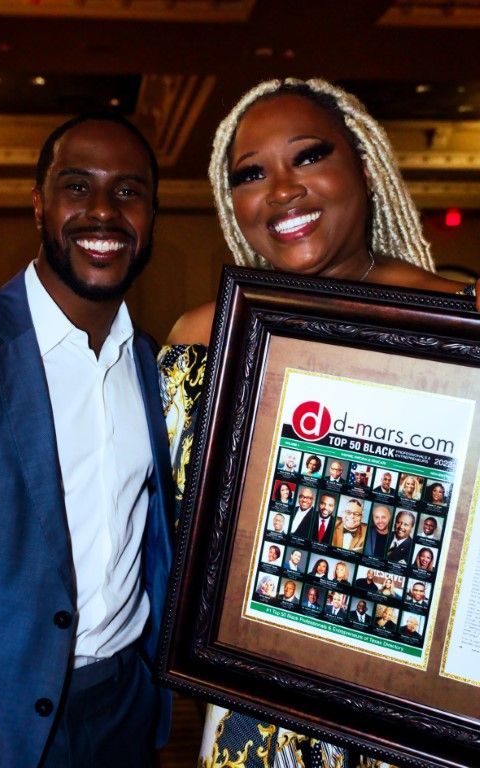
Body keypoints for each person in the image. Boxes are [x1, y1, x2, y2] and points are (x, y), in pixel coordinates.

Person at [160, 75, 477, 768]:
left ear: (362, 167)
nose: (280, 189)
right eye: (251, 173)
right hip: (256, 713)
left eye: (308, 156)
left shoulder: (464, 324)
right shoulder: (202, 345)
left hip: (422, 730)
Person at [0, 113, 175, 768]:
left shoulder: (155, 367)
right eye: (77, 187)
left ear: (153, 215)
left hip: (125, 715)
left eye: (129, 191)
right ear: (39, 205)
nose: (104, 212)